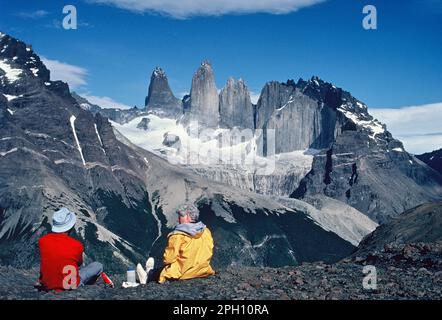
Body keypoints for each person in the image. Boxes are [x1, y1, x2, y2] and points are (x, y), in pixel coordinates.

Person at [136, 203, 215, 284]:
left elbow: (169, 259)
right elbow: (209, 250)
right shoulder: (206, 231)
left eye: (180, 216)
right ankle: (150, 271)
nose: (178, 220)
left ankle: (147, 276)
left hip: (184, 273)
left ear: (187, 216)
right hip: (203, 270)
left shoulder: (178, 235)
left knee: (165, 270)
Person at [38, 208, 105, 291]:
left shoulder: (42, 241)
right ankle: (92, 285)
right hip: (70, 285)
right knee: (98, 265)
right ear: (70, 226)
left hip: (47, 284)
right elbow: (79, 263)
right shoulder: (76, 245)